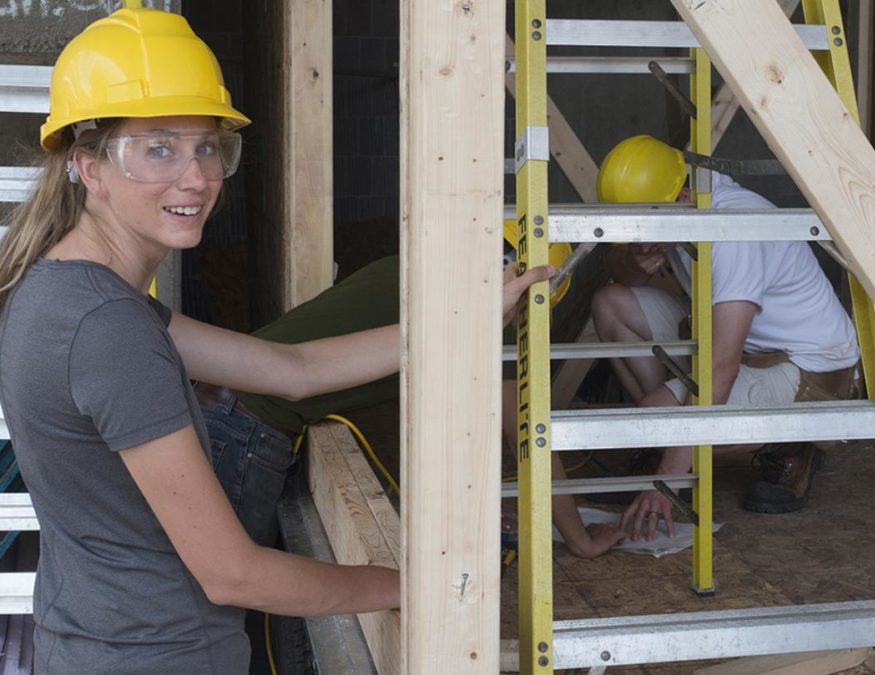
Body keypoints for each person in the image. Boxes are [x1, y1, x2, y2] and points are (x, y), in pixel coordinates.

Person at [0, 8, 550, 672]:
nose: (197, 176)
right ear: (90, 166)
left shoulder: (66, 294)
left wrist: (466, 320)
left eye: (209, 146)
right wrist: (405, 583)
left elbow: (293, 368)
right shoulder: (106, 329)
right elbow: (233, 573)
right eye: (159, 147)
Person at [208, 249, 625, 559]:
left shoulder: (403, 268)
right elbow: (529, 434)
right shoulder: (482, 316)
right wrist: (580, 540)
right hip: (247, 428)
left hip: (219, 404)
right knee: (225, 594)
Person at [590, 135, 861, 541]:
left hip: (808, 367)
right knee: (610, 303)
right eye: (634, 228)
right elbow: (625, 277)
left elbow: (721, 367)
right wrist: (634, 258)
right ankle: (679, 446)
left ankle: (793, 446)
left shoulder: (734, 228)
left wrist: (664, 481)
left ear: (683, 194)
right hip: (744, 342)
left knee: (658, 421)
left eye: (651, 224)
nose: (644, 240)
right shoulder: (679, 203)